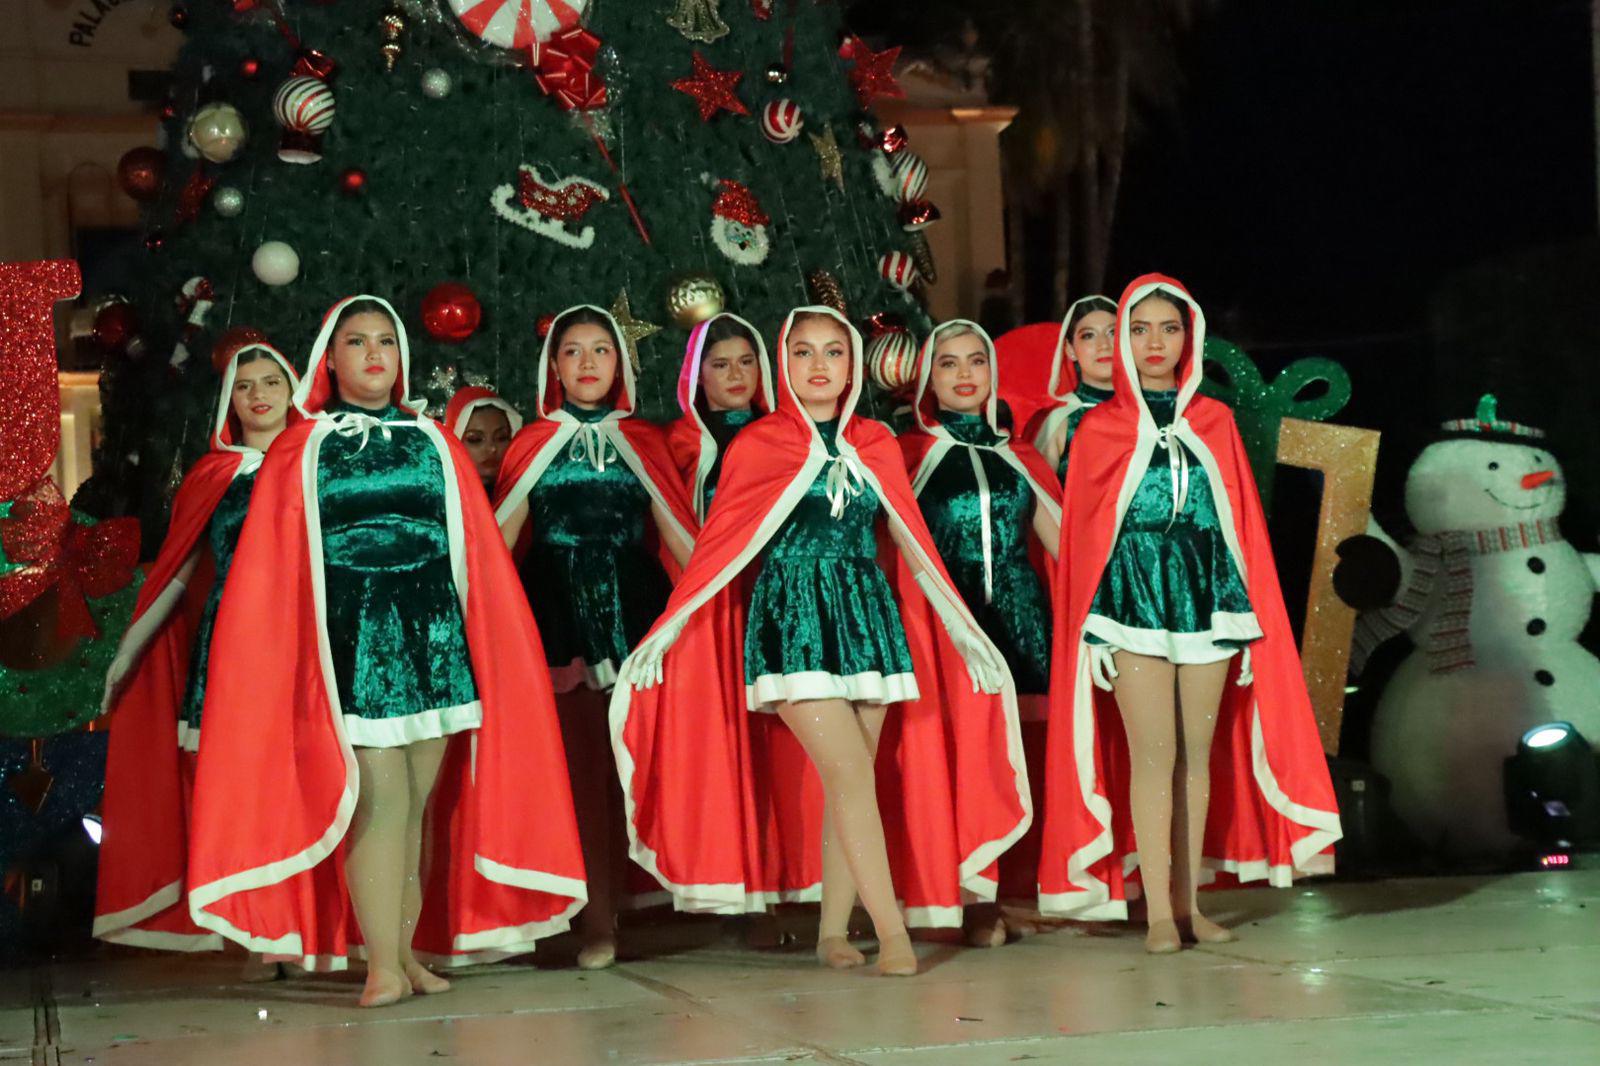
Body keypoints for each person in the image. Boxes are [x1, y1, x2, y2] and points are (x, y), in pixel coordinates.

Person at [185, 295, 585, 1006]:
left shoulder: (435, 441)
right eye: (356, 341)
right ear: (329, 359)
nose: (373, 354)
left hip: (434, 638)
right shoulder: (302, 447)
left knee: (418, 806)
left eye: (385, 342)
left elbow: (474, 550)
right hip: (351, 641)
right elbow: (273, 565)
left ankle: (404, 955)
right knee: (381, 799)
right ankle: (381, 966)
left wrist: (487, 640)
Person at [612, 306, 1030, 977]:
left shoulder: (875, 442)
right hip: (793, 620)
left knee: (850, 782)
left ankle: (833, 932)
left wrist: (962, 629)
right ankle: (893, 936)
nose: (818, 366)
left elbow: (913, 544)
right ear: (785, 362)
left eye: (833, 352)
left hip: (867, 619)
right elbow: (722, 546)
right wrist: (670, 626)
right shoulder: (761, 444)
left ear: (852, 364)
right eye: (803, 352)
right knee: (851, 774)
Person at [1036, 275, 1341, 952]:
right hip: (1129, 604)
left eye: (1168, 328)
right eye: (1139, 328)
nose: (1154, 342)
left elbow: (1239, 525)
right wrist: (1091, 631)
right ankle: (1157, 916)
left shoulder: (1215, 420)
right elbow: (1088, 538)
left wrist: (1251, 620)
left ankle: (1189, 904)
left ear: (1190, 337)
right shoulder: (1099, 429)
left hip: (1209, 601)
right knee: (1154, 755)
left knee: (1197, 758)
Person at [494, 305, 697, 970]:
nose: (587, 363)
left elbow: (679, 536)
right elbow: (497, 542)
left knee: (632, 768)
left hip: (637, 615)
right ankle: (594, 921)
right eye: (573, 350)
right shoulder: (534, 442)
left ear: (621, 362)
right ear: (553, 365)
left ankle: (643, 904)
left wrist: (714, 608)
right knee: (580, 774)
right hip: (558, 618)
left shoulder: (644, 441)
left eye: (601, 350)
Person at [96, 341, 299, 956]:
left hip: (305, 644)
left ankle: (306, 929)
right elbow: (179, 572)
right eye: (244, 385)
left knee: (303, 784)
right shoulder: (213, 477)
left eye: (271, 381)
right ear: (229, 400)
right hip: (232, 651)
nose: (258, 395)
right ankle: (255, 935)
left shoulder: (320, 462)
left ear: (294, 389)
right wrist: (129, 649)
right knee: (242, 792)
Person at [897, 319, 1062, 946]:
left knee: (1028, 757)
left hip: (1022, 617)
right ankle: (965, 899)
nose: (965, 375)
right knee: (966, 758)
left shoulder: (1019, 455)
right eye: (949, 363)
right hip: (950, 622)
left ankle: (1021, 892)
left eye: (976, 361)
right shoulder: (909, 455)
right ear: (928, 378)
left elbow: (1065, 547)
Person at [665, 313, 774, 521]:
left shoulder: (783, 436)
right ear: (697, 374)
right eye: (721, 365)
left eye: (746, 362)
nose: (736, 375)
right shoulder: (677, 443)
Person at [1028, 295, 1118, 479]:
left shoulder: (1148, 410)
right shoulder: (1061, 419)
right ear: (1070, 349)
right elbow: (1040, 491)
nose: (1103, 345)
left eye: (1112, 333)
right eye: (1088, 336)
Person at [443, 385, 521, 493]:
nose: (492, 448)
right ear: (454, 443)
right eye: (475, 439)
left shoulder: (526, 495)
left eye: (501, 437)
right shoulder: (441, 498)